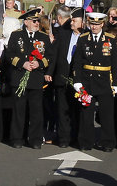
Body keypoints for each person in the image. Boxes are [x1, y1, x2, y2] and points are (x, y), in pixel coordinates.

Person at [71, 11, 117, 152]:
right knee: (86, 114)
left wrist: (116, 83)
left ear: (102, 24)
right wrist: (77, 81)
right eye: (92, 24)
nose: (94, 27)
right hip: (87, 81)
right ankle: (86, 142)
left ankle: (108, 142)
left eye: (97, 24)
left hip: (105, 81)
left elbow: (116, 64)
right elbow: (77, 62)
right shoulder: (83, 38)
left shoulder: (110, 40)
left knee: (106, 115)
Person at [4, 8, 50, 148]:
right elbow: (9, 54)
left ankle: (35, 140)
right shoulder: (16, 35)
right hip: (20, 77)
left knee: (36, 112)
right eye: (34, 21)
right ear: (26, 22)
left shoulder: (43, 37)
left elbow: (50, 56)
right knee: (19, 111)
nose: (37, 23)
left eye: (38, 21)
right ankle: (17, 139)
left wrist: (39, 63)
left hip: (36, 78)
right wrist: (22, 63)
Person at [48, 8, 84, 147]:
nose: (71, 23)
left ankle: (76, 138)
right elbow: (54, 55)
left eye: (74, 20)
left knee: (77, 111)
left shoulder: (86, 37)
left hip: (79, 80)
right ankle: (63, 139)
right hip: (62, 77)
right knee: (62, 110)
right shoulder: (63, 34)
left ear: (83, 22)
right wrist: (49, 73)